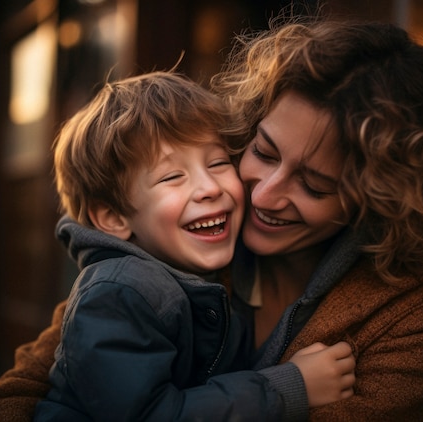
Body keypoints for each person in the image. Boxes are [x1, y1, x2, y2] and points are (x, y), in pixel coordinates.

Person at [0, 16, 423, 422]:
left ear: (379, 198)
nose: (265, 194)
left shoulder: (417, 303)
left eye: (315, 185)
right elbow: (29, 385)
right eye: (263, 150)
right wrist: (289, 390)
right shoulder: (155, 257)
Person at [25, 71, 354, 421]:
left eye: (218, 163)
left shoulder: (197, 279)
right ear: (114, 218)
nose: (209, 187)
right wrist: (290, 387)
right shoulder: (119, 295)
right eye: (171, 177)